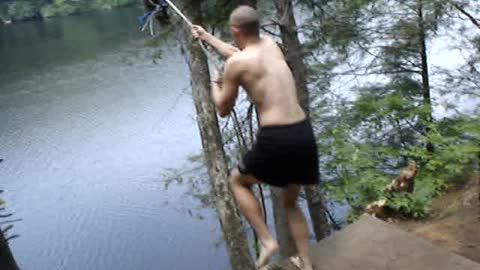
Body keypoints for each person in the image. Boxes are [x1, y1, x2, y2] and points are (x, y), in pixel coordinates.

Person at [191, 5, 318, 270]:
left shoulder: (237, 64)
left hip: (277, 136)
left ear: (235, 29)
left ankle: (267, 240)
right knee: (291, 202)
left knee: (237, 181)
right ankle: (306, 264)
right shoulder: (271, 45)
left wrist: (216, 84)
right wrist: (207, 37)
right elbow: (240, 55)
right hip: (303, 132)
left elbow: (223, 109)